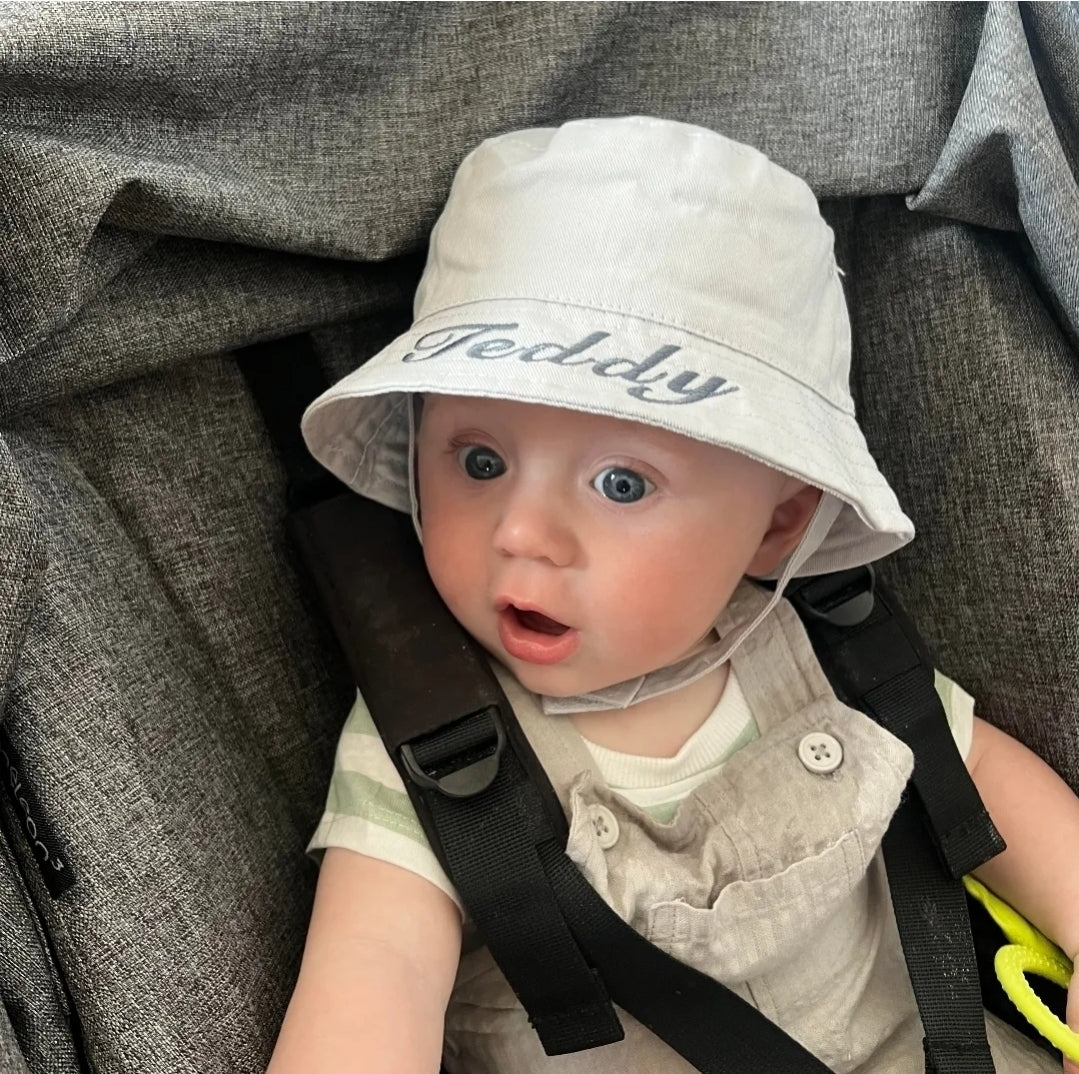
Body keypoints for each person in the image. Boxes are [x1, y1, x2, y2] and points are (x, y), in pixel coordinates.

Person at [268, 117, 1079, 1074]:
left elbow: (982, 779)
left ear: (778, 525)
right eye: (479, 460)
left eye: (621, 484)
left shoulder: (832, 651)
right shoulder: (426, 736)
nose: (520, 533)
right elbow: (378, 970)